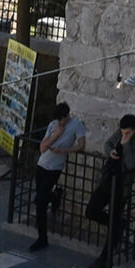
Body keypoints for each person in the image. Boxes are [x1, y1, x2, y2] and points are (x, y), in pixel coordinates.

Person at [86, 113, 135, 268]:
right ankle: (119, 225)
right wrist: (111, 151)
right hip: (108, 181)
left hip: (121, 187)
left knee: (114, 224)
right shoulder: (119, 134)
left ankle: (104, 258)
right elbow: (107, 144)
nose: (123, 135)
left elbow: (130, 164)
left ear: (133, 130)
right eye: (122, 132)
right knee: (91, 210)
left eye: (127, 133)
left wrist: (126, 144)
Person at [30, 98, 87, 252]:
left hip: (54, 168)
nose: (60, 122)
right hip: (42, 165)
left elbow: (81, 145)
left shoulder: (76, 125)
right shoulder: (53, 126)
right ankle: (55, 196)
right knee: (41, 201)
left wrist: (64, 151)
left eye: (62, 120)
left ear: (67, 116)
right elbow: (42, 147)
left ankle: (42, 238)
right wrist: (56, 134)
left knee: (39, 202)